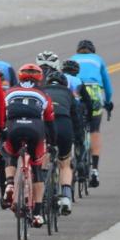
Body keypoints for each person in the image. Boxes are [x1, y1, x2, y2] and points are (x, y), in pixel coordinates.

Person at [1, 64, 56, 228]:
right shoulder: (43, 95)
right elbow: (50, 123)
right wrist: (52, 143)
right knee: (37, 168)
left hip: (13, 127)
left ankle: (10, 182)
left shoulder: (9, 92)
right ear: (40, 78)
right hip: (35, 129)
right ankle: (38, 213)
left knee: (10, 153)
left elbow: (0, 115)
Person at [70, 39, 113, 187]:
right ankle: (94, 169)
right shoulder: (98, 59)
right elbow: (107, 85)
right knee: (94, 130)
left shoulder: (72, 59)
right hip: (94, 92)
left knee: (76, 125)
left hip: (76, 91)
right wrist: (108, 102)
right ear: (93, 51)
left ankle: (75, 157)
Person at [41, 70, 81, 214]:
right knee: (65, 163)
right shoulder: (68, 93)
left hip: (46, 124)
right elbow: (76, 118)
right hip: (64, 124)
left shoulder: (42, 91)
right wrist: (78, 139)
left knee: (44, 156)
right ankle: (66, 198)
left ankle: (43, 193)